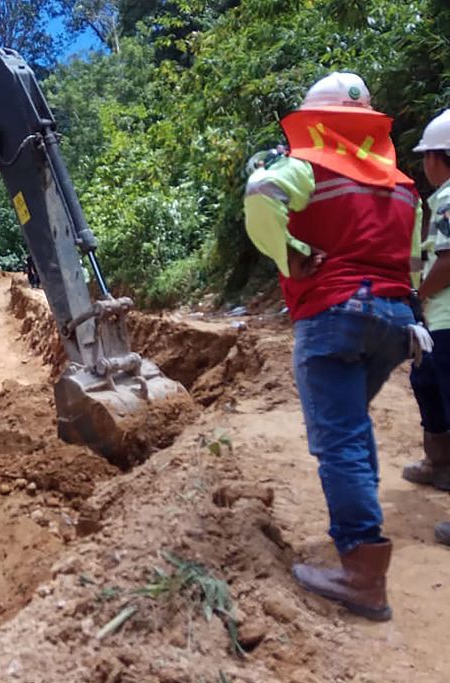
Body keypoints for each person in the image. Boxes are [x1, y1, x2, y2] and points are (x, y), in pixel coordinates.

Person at [243, 72, 425, 621]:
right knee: (352, 428)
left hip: (335, 314)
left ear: (315, 123)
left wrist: (289, 251)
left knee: (340, 439)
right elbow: (413, 261)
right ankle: (362, 545)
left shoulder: (308, 165)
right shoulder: (401, 183)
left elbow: (260, 195)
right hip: (394, 320)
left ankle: (362, 573)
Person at [406, 109, 450, 545]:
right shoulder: (437, 202)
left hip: (446, 318)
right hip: (437, 322)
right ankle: (439, 464)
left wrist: (419, 294)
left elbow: (448, 262)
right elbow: (426, 256)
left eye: (427, 156)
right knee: (425, 383)